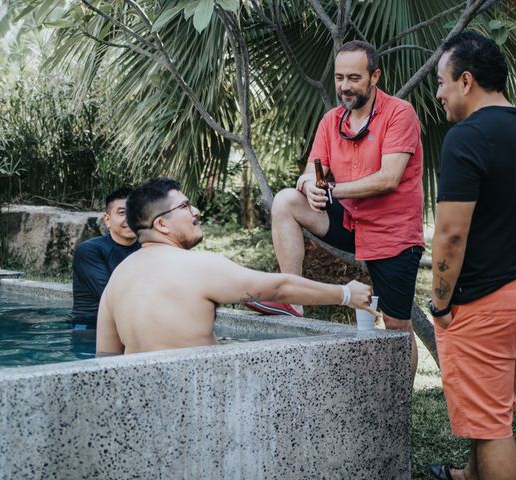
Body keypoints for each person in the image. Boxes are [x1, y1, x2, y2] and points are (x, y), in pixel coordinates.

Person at [245, 40, 424, 380]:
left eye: (354, 77)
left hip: (393, 233)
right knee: (285, 200)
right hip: (349, 220)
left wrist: (332, 190)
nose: (344, 86)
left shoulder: (400, 113)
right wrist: (309, 185)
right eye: (340, 77)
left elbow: (388, 179)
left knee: (396, 323)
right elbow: (313, 171)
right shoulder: (331, 120)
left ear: (375, 77)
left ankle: (399, 406)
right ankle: (292, 299)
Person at [428, 32, 516, 480]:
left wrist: (440, 303)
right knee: (490, 406)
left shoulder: (466, 137)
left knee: (493, 424)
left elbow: (451, 236)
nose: (438, 93)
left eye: (442, 82)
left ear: (466, 81)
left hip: (487, 301)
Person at [96, 177, 378, 356]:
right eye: (185, 207)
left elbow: (105, 360)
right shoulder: (197, 267)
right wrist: (345, 294)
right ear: (161, 224)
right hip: (197, 403)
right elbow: (278, 288)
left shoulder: (117, 279)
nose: (196, 212)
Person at [71, 188, 140, 329]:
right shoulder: (89, 251)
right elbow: (111, 297)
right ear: (107, 220)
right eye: (122, 213)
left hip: (132, 325)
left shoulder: (147, 248)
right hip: (89, 328)